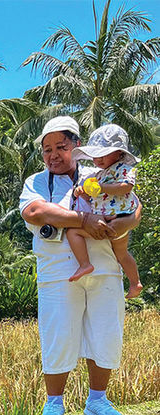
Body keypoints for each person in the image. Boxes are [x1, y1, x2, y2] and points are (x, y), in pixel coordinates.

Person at [19, 116, 141, 415]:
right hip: (57, 271)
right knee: (57, 334)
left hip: (104, 266)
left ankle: (98, 401)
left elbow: (133, 201)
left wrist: (130, 221)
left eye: (61, 146)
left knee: (106, 332)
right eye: (47, 149)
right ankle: (53, 404)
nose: (53, 155)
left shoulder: (98, 172)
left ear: (77, 146)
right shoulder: (35, 182)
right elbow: (35, 211)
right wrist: (81, 221)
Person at [65, 124, 142, 298]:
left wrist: (102, 187)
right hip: (103, 221)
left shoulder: (123, 169)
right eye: (95, 155)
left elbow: (126, 187)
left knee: (121, 253)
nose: (97, 159)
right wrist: (83, 193)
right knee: (74, 233)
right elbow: (95, 198)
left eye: (103, 154)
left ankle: (134, 281)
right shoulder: (99, 174)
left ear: (119, 153)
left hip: (118, 217)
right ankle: (86, 264)